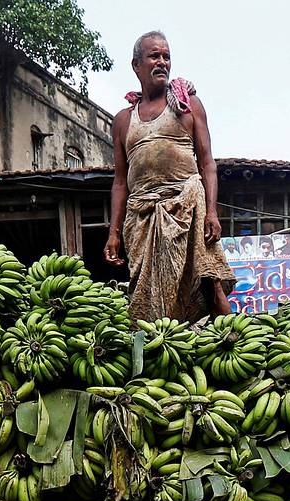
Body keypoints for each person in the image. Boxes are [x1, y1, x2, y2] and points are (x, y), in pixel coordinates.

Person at [104, 31, 235, 322]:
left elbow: (207, 163)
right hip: (143, 215)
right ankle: (162, 352)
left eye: (166, 56)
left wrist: (212, 211)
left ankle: (234, 348)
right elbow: (120, 182)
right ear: (136, 65)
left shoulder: (187, 105)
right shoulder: (124, 121)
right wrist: (113, 233)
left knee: (211, 283)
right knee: (147, 296)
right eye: (154, 56)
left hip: (188, 204)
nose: (162, 62)